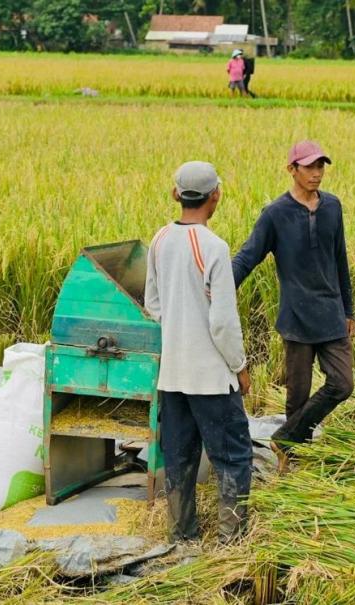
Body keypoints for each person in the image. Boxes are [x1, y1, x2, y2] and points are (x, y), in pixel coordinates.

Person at [144, 161, 252, 544]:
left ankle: (181, 536)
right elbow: (223, 322)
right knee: (232, 457)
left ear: (177, 195)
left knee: (179, 457)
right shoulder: (214, 248)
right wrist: (240, 366)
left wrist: (178, 322)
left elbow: (152, 304)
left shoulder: (158, 241)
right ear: (216, 196)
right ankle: (231, 540)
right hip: (210, 378)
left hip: (172, 376)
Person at [232, 141, 355, 471]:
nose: (317, 173)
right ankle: (292, 461)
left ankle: (285, 437)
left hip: (330, 314)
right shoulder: (275, 215)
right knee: (297, 396)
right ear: (292, 170)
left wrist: (348, 309)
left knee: (342, 384)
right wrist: (219, 286)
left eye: (321, 167)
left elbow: (340, 258)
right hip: (297, 319)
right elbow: (248, 257)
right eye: (309, 167)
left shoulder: (333, 207)